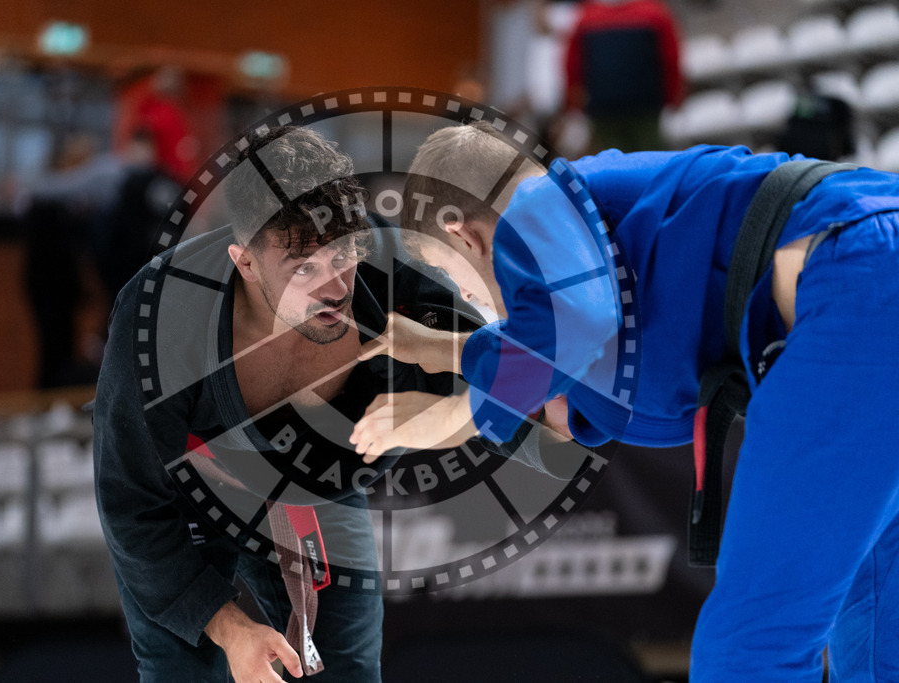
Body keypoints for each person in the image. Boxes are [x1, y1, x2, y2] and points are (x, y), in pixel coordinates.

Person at [350, 121, 899, 681]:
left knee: (750, 646)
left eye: (454, 278)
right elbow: (568, 339)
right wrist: (445, 350)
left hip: (860, 278)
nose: (471, 298)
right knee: (876, 621)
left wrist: (450, 415)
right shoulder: (595, 221)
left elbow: (574, 325)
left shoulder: (534, 207)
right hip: (868, 272)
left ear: (463, 235)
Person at [92, 125, 544, 683]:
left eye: (343, 255)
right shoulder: (160, 318)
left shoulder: (398, 272)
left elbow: (504, 372)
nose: (334, 287)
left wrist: (542, 416)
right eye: (303, 267)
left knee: (345, 670)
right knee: (183, 669)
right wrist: (232, 630)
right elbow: (132, 503)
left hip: (317, 488)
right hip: (192, 495)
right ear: (246, 261)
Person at [561, 0, 683, 153]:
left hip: (603, 107)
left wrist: (573, 105)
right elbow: (671, 59)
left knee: (613, 162)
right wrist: (674, 97)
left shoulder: (585, 18)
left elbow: (572, 67)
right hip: (646, 105)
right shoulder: (656, 13)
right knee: (650, 159)